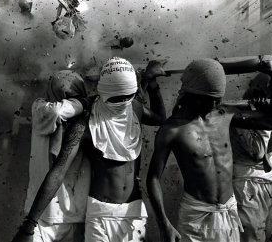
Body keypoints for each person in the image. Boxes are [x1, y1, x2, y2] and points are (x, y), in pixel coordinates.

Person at [13, 57, 167, 242]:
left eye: (127, 97)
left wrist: (153, 85)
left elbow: (159, 118)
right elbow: (58, 171)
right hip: (99, 213)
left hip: (134, 210)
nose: (122, 102)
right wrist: (29, 224)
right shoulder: (84, 123)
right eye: (117, 98)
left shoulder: (135, 109)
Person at [146, 58, 272, 242]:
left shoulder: (224, 115)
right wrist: (163, 223)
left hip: (228, 213)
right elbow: (153, 178)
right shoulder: (172, 129)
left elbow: (271, 122)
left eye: (218, 100)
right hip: (196, 217)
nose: (215, 105)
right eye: (210, 100)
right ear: (193, 95)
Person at [15, 70, 92, 242]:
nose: (66, 97)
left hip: (74, 215)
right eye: (63, 94)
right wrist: (83, 102)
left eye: (72, 95)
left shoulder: (86, 122)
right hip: (40, 217)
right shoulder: (41, 108)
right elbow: (58, 113)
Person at [231, 73, 272, 242]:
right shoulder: (245, 113)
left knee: (264, 236)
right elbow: (259, 152)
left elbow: (261, 152)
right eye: (253, 87)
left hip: (262, 183)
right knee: (253, 237)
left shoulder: (267, 114)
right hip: (252, 183)